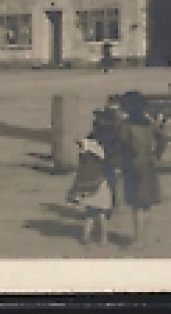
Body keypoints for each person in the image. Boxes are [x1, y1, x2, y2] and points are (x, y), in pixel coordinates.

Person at [115, 90, 165, 247]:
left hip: (133, 166)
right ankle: (145, 238)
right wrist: (157, 154)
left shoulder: (125, 125)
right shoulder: (150, 124)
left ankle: (137, 239)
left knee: (136, 205)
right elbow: (162, 138)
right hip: (149, 164)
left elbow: (122, 145)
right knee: (146, 204)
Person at [64, 131, 116, 245]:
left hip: (89, 187)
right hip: (102, 185)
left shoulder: (89, 151)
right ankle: (103, 238)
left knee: (89, 214)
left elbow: (82, 143)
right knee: (101, 214)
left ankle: (86, 236)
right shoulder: (105, 152)